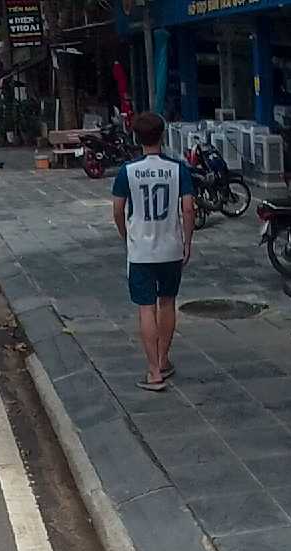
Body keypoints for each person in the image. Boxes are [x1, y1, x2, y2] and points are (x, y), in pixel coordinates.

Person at [111, 112, 195, 392]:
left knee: (146, 307)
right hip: (170, 248)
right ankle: (163, 358)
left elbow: (118, 210)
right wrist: (187, 242)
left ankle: (153, 371)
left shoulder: (128, 171)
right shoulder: (178, 169)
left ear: (137, 137)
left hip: (141, 251)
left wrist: (126, 235)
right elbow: (188, 209)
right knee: (167, 303)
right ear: (162, 135)